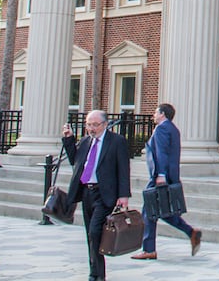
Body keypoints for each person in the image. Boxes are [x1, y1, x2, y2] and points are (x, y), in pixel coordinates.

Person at [64, 110, 131, 281]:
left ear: (105, 124)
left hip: (105, 194)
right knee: (90, 234)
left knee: (95, 232)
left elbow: (124, 169)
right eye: (88, 125)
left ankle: (98, 274)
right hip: (87, 192)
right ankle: (94, 272)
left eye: (95, 125)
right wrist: (69, 139)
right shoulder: (86, 141)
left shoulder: (116, 142)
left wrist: (124, 195)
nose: (91, 128)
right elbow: (76, 161)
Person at [132, 103, 202, 260]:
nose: (153, 115)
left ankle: (149, 249)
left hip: (161, 177)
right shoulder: (173, 129)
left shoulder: (162, 128)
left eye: (156, 112)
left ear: (162, 114)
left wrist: (161, 174)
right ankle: (191, 232)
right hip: (168, 176)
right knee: (160, 211)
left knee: (150, 210)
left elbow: (162, 153)